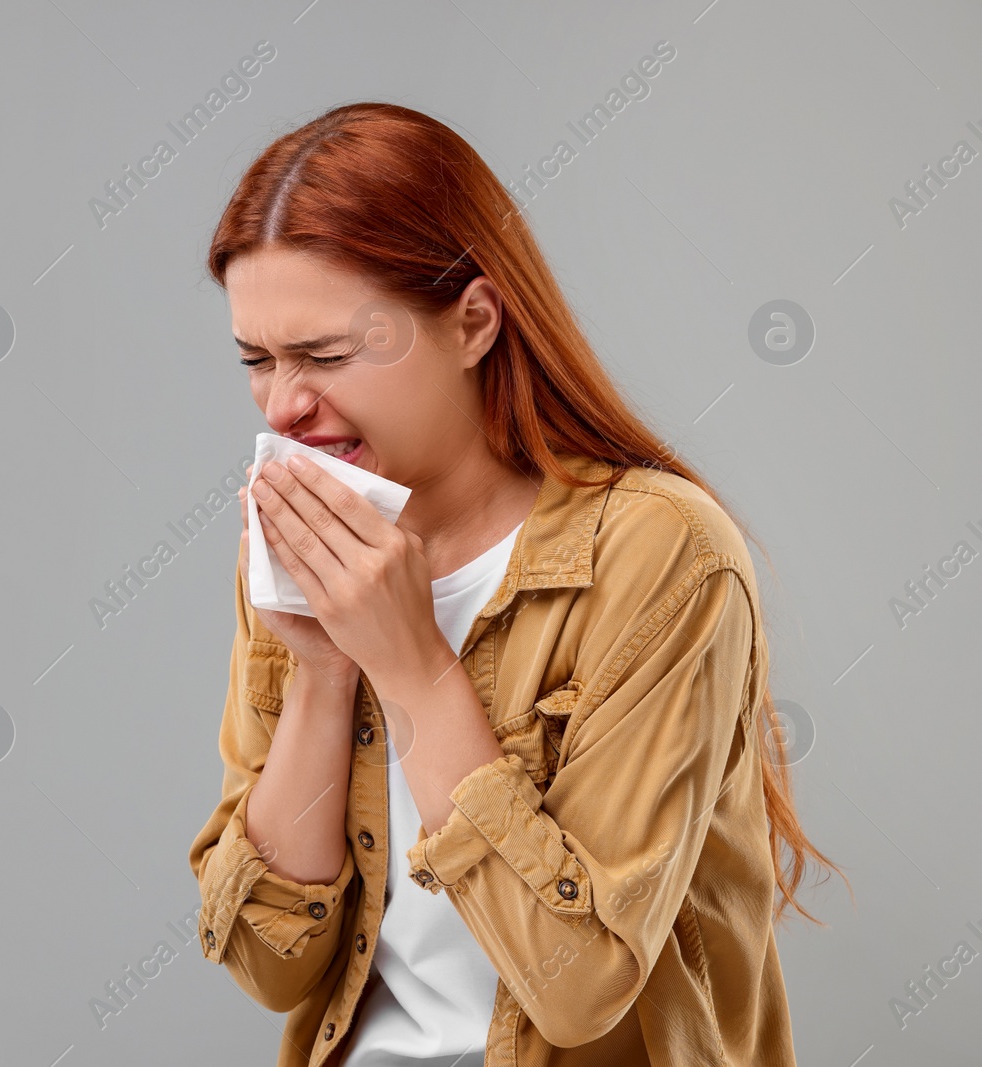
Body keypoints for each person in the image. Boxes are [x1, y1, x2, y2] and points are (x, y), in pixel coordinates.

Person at [187, 102, 847, 1067]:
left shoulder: (659, 552)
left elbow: (579, 985)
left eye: (326, 356)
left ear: (473, 323)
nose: (285, 404)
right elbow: (270, 964)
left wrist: (410, 667)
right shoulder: (303, 550)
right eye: (257, 360)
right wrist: (325, 670)